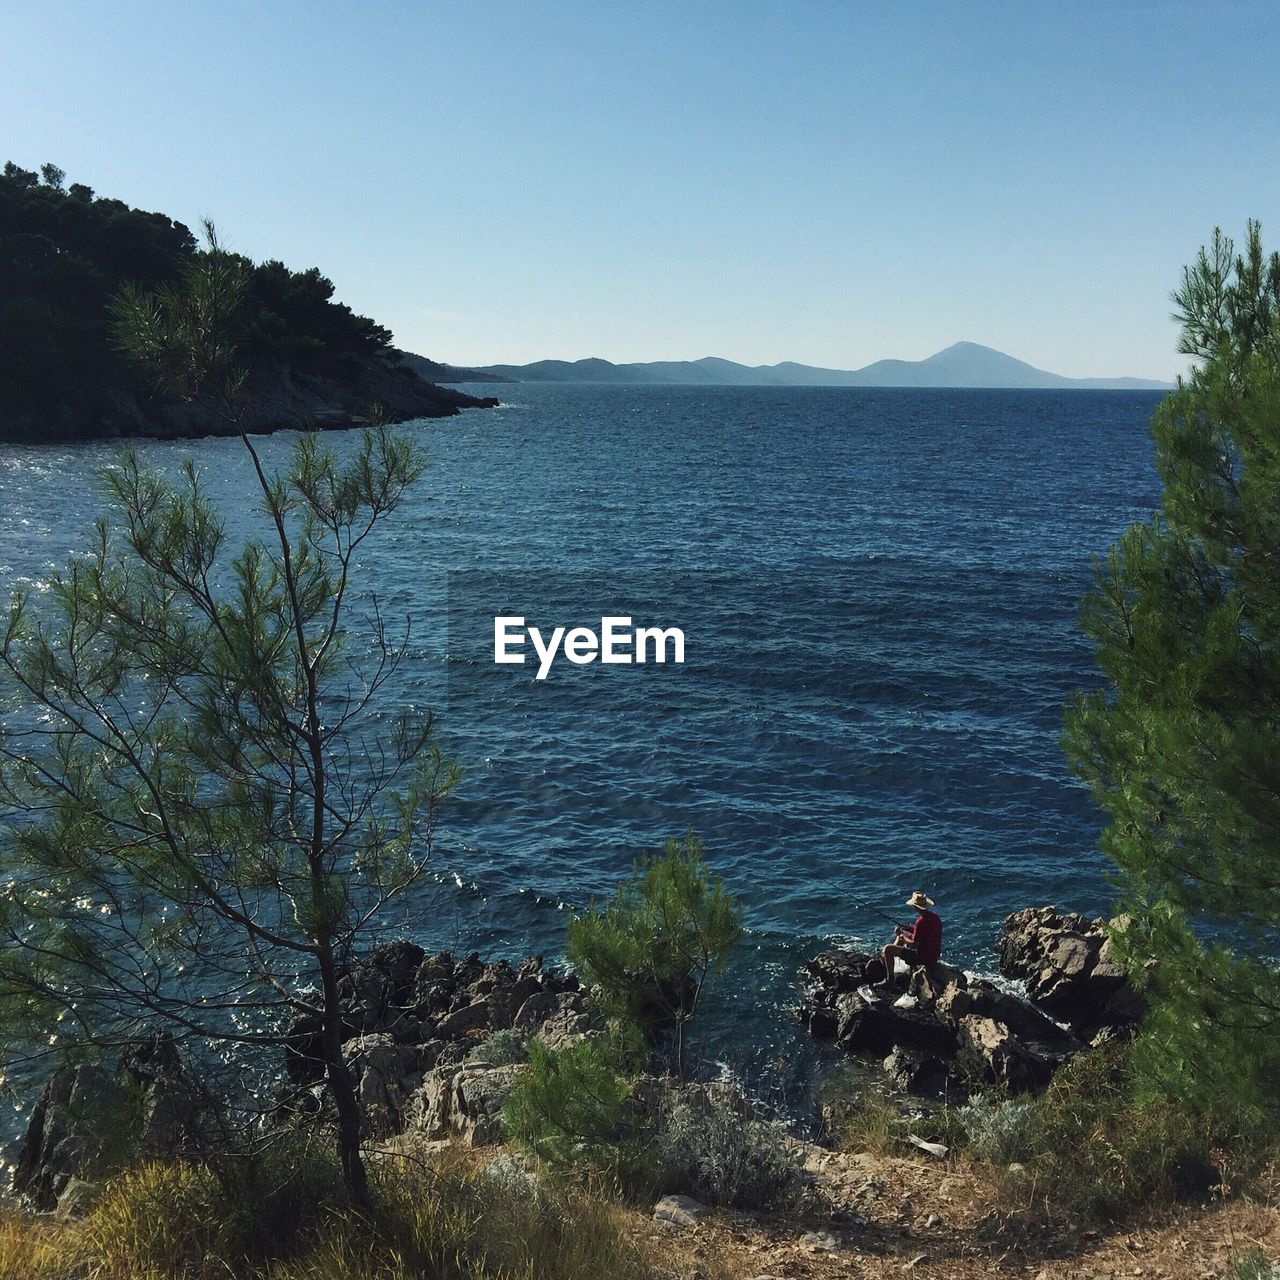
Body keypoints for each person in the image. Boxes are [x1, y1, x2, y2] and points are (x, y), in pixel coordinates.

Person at [879, 891, 942, 989]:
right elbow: (922, 933)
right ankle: (887, 962)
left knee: (888, 948)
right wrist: (906, 928)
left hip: (922, 958)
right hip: (934, 955)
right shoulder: (934, 916)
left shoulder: (920, 921)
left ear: (915, 906)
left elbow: (914, 945)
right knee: (902, 935)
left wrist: (902, 936)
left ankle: (889, 980)